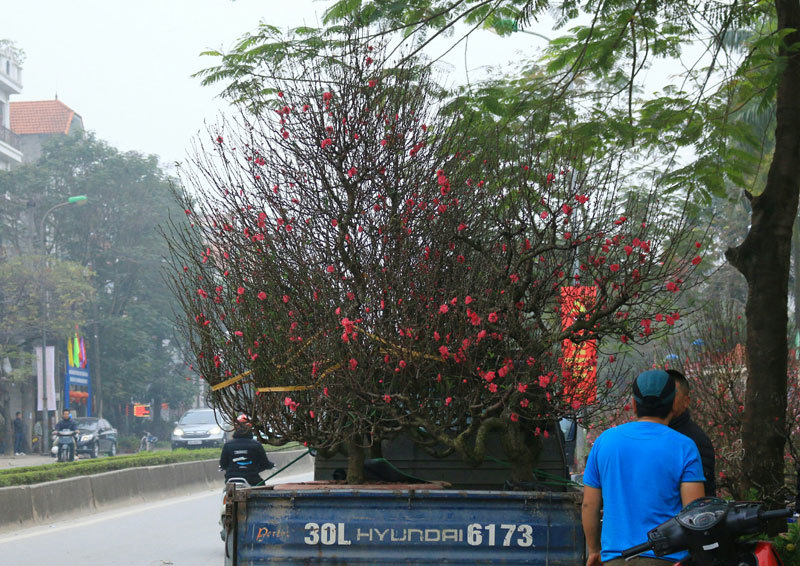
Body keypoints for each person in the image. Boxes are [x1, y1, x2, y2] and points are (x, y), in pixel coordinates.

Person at [582, 369, 705, 565]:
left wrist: (594, 550)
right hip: (667, 559)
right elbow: (694, 513)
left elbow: (589, 505)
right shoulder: (685, 446)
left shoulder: (604, 442)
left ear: (633, 405)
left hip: (615, 558)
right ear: (674, 403)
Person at [666, 369, 716, 497]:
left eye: (672, 394)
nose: (666, 399)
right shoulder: (654, 432)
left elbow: (702, 496)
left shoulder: (694, 441)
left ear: (686, 401)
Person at [219, 414, 274, 486]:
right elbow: (264, 464)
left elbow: (223, 464)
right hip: (252, 480)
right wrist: (270, 465)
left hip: (231, 480)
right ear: (250, 428)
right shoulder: (256, 445)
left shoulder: (228, 445)